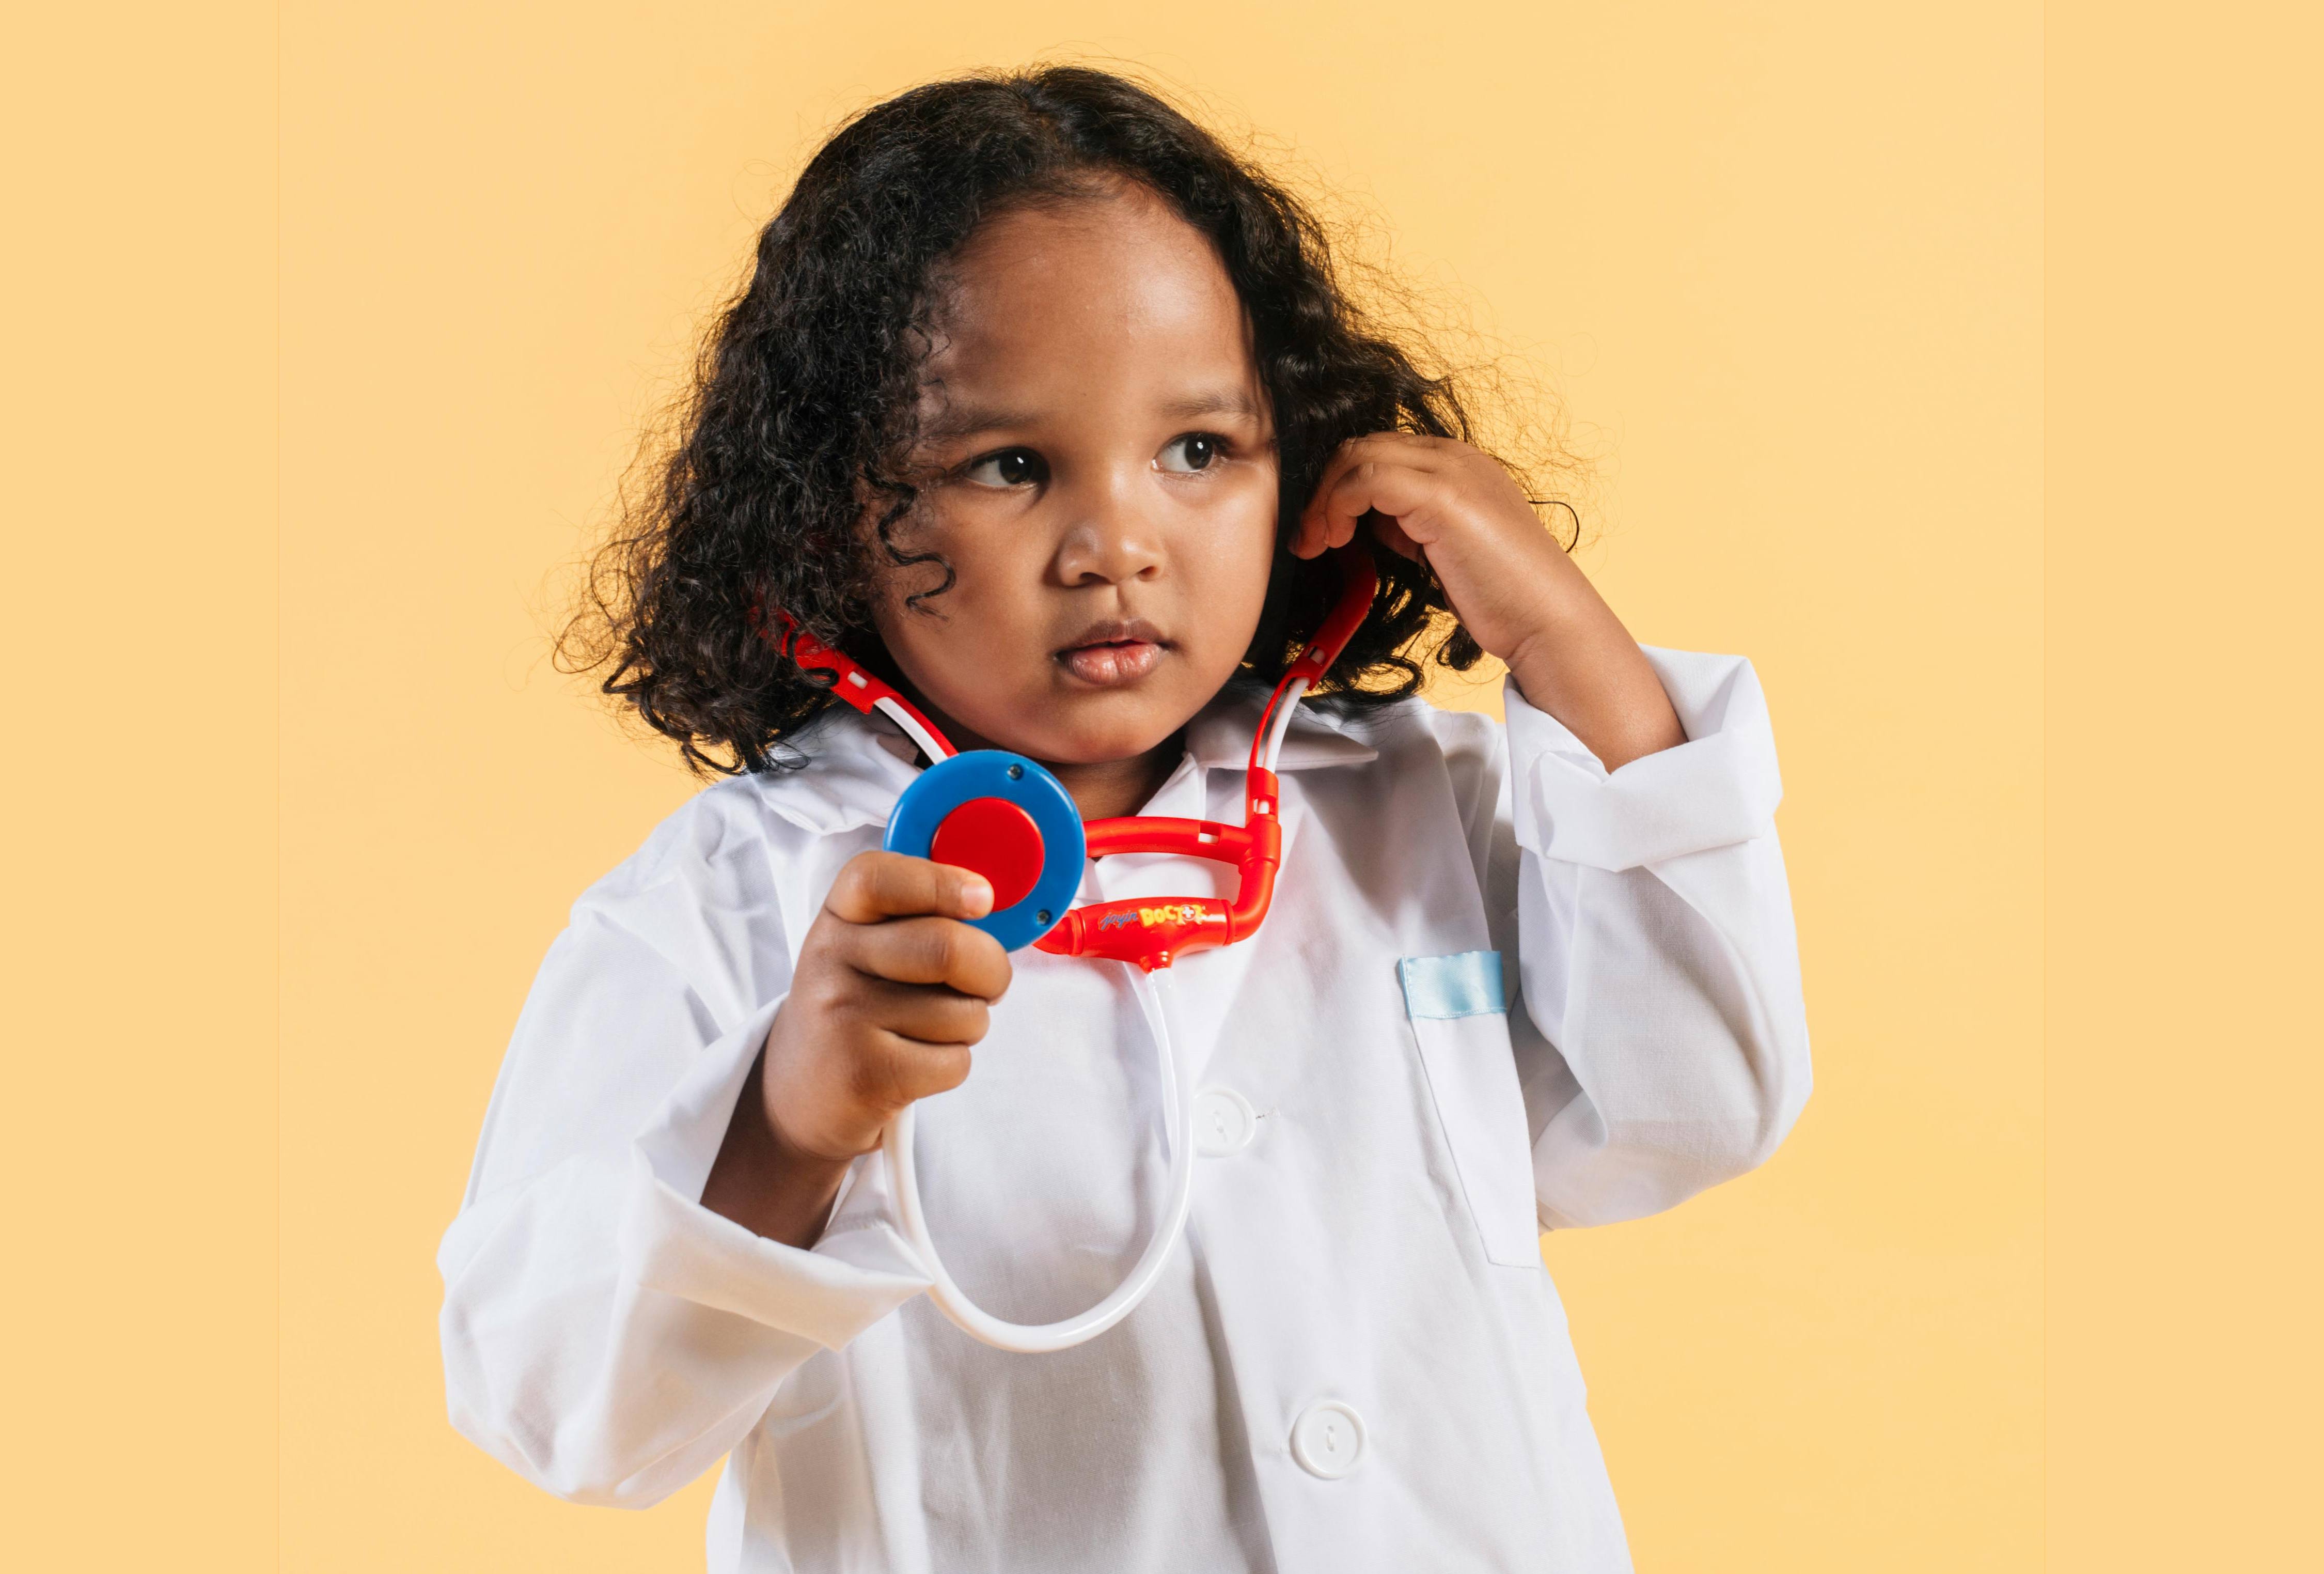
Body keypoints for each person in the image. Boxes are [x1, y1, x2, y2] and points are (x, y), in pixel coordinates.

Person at [438, 65, 1811, 1573]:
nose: (1116, 547)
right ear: (830, 509)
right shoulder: (727, 903)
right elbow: (555, 1409)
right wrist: (783, 1128)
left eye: (1198, 452)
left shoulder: (1416, 806)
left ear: (1307, 462)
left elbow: (1695, 1103)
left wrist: (1567, 649)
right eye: (1010, 466)